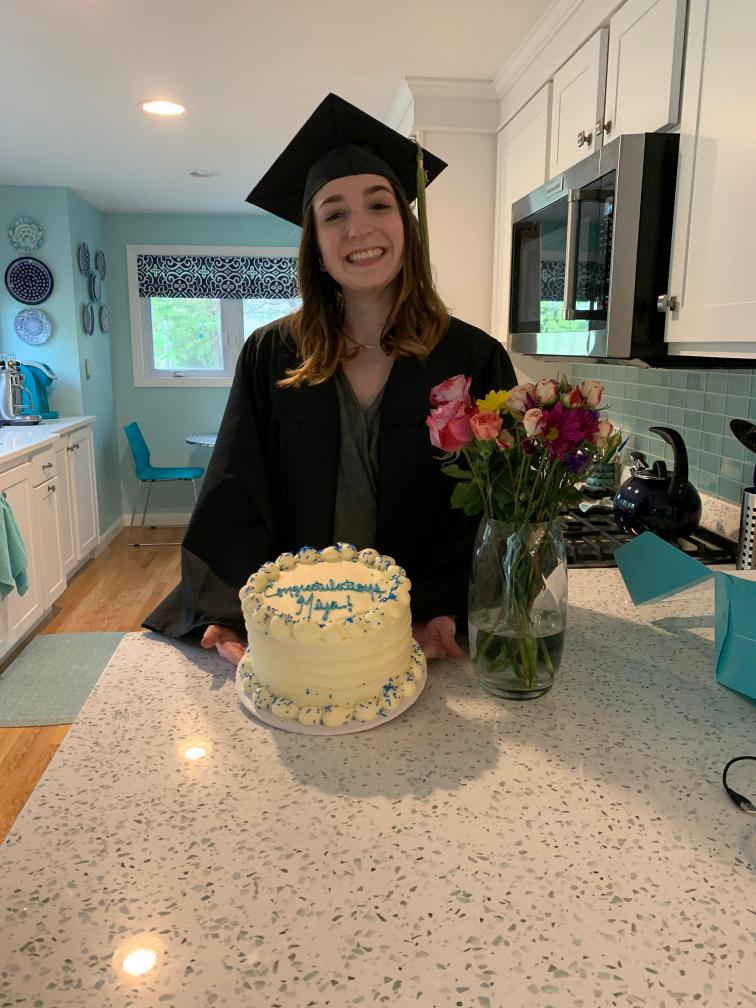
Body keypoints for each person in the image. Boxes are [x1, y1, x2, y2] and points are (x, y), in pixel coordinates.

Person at [144, 93, 516, 665]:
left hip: (421, 631)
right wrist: (230, 609)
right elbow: (235, 490)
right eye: (334, 214)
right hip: (300, 635)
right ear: (316, 247)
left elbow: (498, 510)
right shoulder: (271, 355)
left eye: (379, 205)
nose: (359, 228)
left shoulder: (472, 357)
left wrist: (447, 607)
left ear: (407, 227)